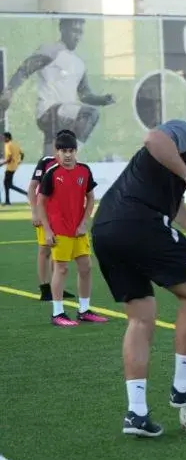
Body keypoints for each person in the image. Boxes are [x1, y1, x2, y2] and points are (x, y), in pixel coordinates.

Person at [91, 100, 186, 438]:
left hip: (107, 228)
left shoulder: (182, 152)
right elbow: (153, 138)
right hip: (140, 222)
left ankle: (136, 413)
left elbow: (173, 200)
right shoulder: (184, 132)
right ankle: (184, 384)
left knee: (141, 317)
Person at [0, 18, 115, 157]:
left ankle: (50, 170)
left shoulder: (79, 63)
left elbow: (85, 95)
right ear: (62, 29)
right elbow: (25, 70)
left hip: (67, 114)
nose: (77, 36)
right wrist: (9, 91)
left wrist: (103, 100)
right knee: (90, 114)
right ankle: (67, 157)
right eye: (74, 30)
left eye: (80, 32)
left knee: (48, 161)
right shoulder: (51, 50)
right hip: (49, 111)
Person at [37, 130, 107, 327]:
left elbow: (91, 197)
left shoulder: (84, 170)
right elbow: (41, 203)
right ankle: (57, 313)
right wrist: (48, 230)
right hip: (59, 229)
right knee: (62, 268)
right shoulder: (52, 173)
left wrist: (84, 221)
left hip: (78, 230)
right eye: (63, 151)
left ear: (76, 151)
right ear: (56, 152)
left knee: (86, 267)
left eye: (71, 150)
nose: (67, 155)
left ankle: (84, 310)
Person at [27, 130, 75, 301]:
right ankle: (45, 288)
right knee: (44, 250)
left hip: (62, 216)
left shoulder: (74, 165)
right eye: (63, 147)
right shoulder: (46, 162)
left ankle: (57, 287)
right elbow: (33, 187)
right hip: (45, 212)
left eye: (70, 148)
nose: (67, 152)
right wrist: (34, 212)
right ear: (56, 147)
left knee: (59, 251)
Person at [1, 132, 27, 205]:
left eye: (3, 137)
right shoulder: (15, 144)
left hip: (10, 167)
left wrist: (2, 164)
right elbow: (22, 154)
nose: (2, 139)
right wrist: (20, 161)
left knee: (8, 184)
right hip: (14, 167)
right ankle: (7, 201)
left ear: (7, 138)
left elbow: (9, 158)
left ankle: (27, 194)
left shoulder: (8, 145)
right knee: (8, 184)